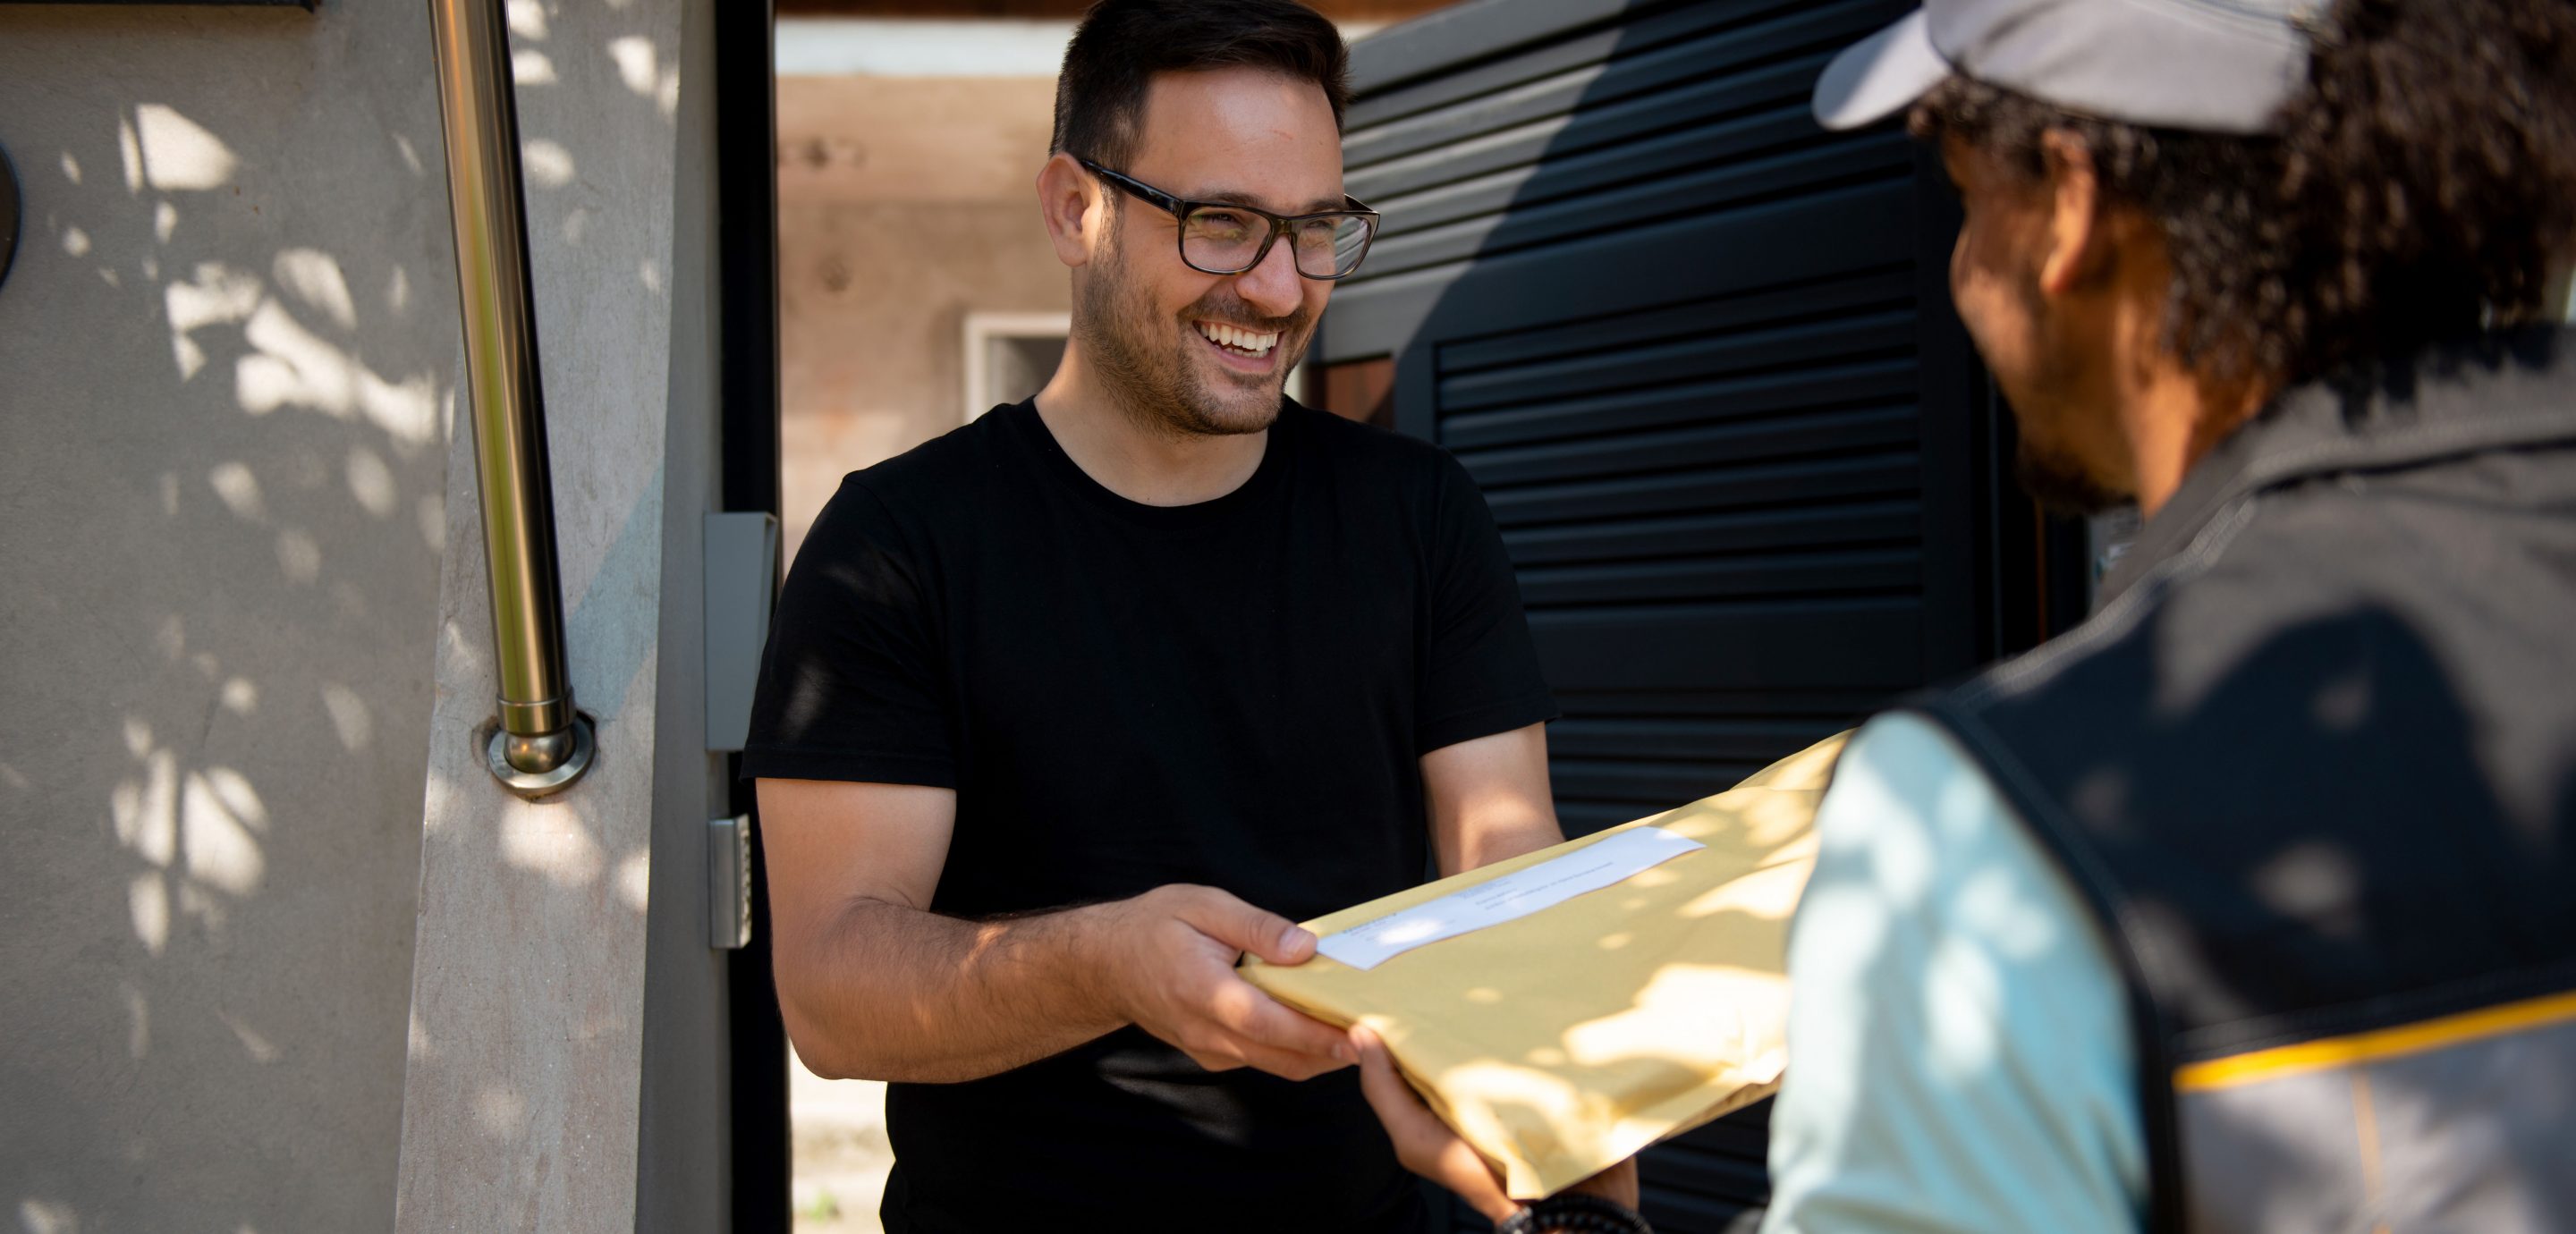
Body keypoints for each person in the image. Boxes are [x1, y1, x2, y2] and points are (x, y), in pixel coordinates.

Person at [1363, 1, 2576, 1230]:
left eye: (1961, 194)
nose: (1958, 271)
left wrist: (1573, 1218)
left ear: (2069, 205)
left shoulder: (2007, 827)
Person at [741, 2, 1635, 1230]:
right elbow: (832, 997)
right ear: (1075, 208)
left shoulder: (1420, 514)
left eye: (1317, 229)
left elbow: (1504, 857)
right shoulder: (898, 545)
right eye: (1221, 225)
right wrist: (1108, 963)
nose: (1277, 288)